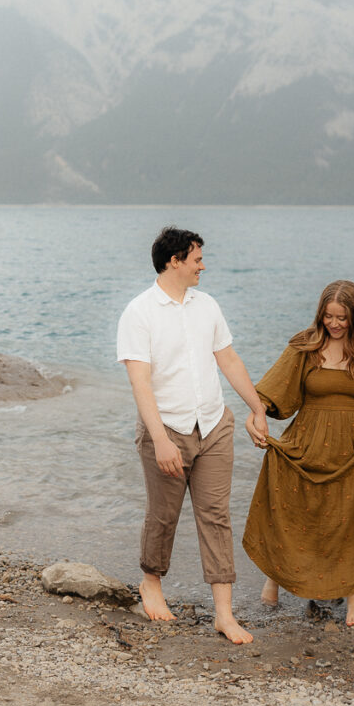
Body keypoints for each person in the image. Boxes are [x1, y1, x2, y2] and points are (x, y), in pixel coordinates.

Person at [117, 226, 265, 644]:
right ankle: (151, 583)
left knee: (216, 516)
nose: (203, 265)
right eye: (197, 258)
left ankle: (224, 613)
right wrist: (160, 439)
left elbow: (229, 359)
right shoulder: (139, 312)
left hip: (214, 425)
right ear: (174, 261)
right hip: (167, 429)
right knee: (164, 515)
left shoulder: (208, 306)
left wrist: (257, 408)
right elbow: (140, 383)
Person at [242, 280, 354, 627]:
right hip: (307, 440)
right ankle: (275, 579)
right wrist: (256, 414)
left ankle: (353, 597)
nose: (334, 323)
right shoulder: (305, 346)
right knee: (293, 510)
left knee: (350, 522)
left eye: (342, 317)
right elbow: (272, 390)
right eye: (328, 316)